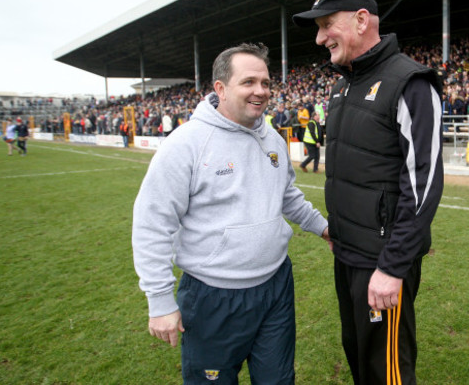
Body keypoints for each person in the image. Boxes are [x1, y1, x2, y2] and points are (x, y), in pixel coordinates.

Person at [132, 43, 330, 384]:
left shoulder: (273, 140)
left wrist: (325, 229)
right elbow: (153, 222)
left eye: (266, 83)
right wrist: (160, 300)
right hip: (213, 297)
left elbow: (286, 195)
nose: (261, 91)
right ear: (220, 89)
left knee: (278, 380)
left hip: (276, 287)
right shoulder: (186, 144)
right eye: (249, 82)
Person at [293, 0, 444, 384]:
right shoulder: (342, 84)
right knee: (359, 356)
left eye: (327, 25)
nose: (320, 38)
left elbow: (423, 184)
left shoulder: (410, 82)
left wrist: (393, 266)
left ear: (362, 20)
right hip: (348, 255)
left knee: (386, 371)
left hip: (383, 262)